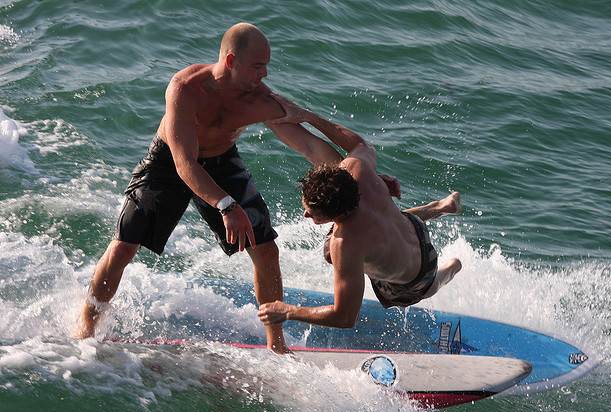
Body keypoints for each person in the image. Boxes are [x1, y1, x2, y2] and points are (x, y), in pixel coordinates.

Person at [74, 23, 343, 352]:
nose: (265, 74)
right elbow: (184, 163)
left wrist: (355, 174)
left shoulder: (259, 99)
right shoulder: (186, 89)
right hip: (169, 160)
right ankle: (86, 327)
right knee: (123, 247)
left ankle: (276, 345)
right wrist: (227, 206)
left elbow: (310, 147)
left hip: (220, 161)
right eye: (258, 66)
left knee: (265, 250)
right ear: (231, 61)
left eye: (266, 66)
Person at [258, 96, 462, 328]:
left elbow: (345, 316)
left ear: (336, 217)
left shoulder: (345, 244)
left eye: (312, 213)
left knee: (332, 253)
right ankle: (441, 207)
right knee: (375, 212)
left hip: (417, 277)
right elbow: (361, 145)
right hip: (412, 228)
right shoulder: (357, 169)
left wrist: (289, 311)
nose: (306, 215)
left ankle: (452, 267)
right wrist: (308, 116)